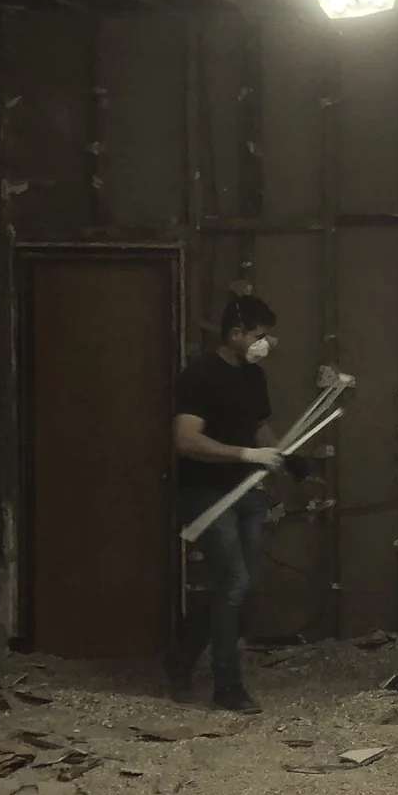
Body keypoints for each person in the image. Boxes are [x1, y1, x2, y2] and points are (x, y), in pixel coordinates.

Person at [169, 293, 288, 712]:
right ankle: (227, 685)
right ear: (235, 334)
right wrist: (245, 455)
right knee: (235, 583)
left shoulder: (253, 376)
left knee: (234, 586)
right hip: (208, 493)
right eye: (259, 336)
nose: (265, 344)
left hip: (248, 493)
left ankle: (183, 653)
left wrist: (285, 460)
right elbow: (186, 440)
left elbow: (259, 428)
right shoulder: (200, 375)